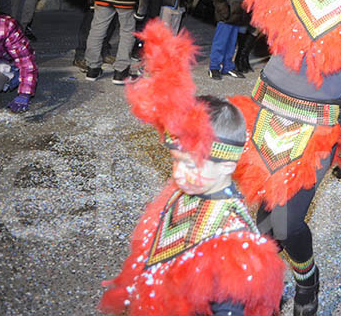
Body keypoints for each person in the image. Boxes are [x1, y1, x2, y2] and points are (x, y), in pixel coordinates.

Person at [141, 0, 341, 316]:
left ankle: (306, 278)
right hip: (265, 112)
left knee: (286, 221)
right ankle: (258, 287)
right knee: (261, 215)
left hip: (316, 127)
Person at [101, 21, 285, 316]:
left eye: (192, 163)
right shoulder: (187, 192)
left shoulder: (234, 245)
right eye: (176, 161)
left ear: (227, 164)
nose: (179, 173)